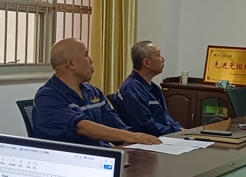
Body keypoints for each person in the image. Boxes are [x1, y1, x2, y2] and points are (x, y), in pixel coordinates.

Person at [32, 38, 161, 147]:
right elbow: (81, 126)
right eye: (86, 55)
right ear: (71, 63)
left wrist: (135, 141)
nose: (91, 60)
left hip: (103, 157)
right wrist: (130, 136)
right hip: (72, 162)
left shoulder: (93, 92)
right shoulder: (47, 96)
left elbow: (115, 125)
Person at [116, 41, 183, 136]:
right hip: (147, 140)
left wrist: (179, 129)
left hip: (163, 135)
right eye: (159, 55)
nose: (163, 59)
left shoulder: (154, 88)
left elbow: (165, 118)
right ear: (147, 63)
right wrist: (176, 131)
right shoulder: (132, 88)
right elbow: (144, 126)